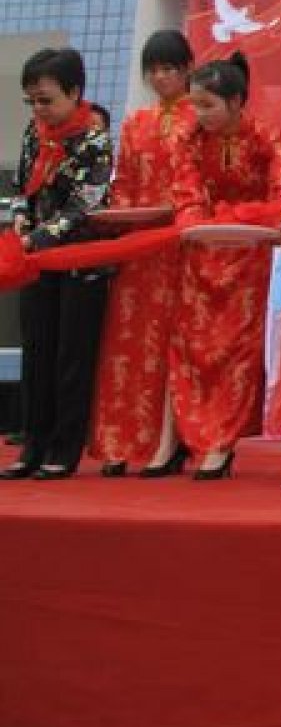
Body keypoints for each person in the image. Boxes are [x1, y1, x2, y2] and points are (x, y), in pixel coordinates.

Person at [168, 55, 281, 480]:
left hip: (247, 252)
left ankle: (221, 442)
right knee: (194, 345)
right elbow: (185, 190)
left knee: (237, 347)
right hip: (200, 249)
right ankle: (195, 435)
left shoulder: (264, 135)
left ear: (237, 101)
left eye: (208, 105)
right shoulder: (188, 138)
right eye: (195, 105)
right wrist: (193, 225)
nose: (199, 115)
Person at [87, 30, 195, 477]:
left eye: (169, 68)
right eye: (153, 70)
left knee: (171, 342)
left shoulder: (200, 116)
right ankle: (121, 442)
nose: (161, 77)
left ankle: (168, 443)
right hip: (139, 248)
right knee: (127, 344)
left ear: (187, 69)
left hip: (182, 246)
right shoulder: (137, 122)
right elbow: (126, 181)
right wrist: (119, 216)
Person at [2, 48, 114, 480]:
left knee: (72, 356)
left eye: (46, 100)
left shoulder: (94, 140)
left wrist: (36, 237)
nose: (38, 109)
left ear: (74, 92)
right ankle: (32, 446)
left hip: (81, 259)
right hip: (37, 259)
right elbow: (21, 188)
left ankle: (64, 449)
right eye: (31, 101)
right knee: (38, 352)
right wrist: (20, 219)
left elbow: (84, 206)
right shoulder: (36, 133)